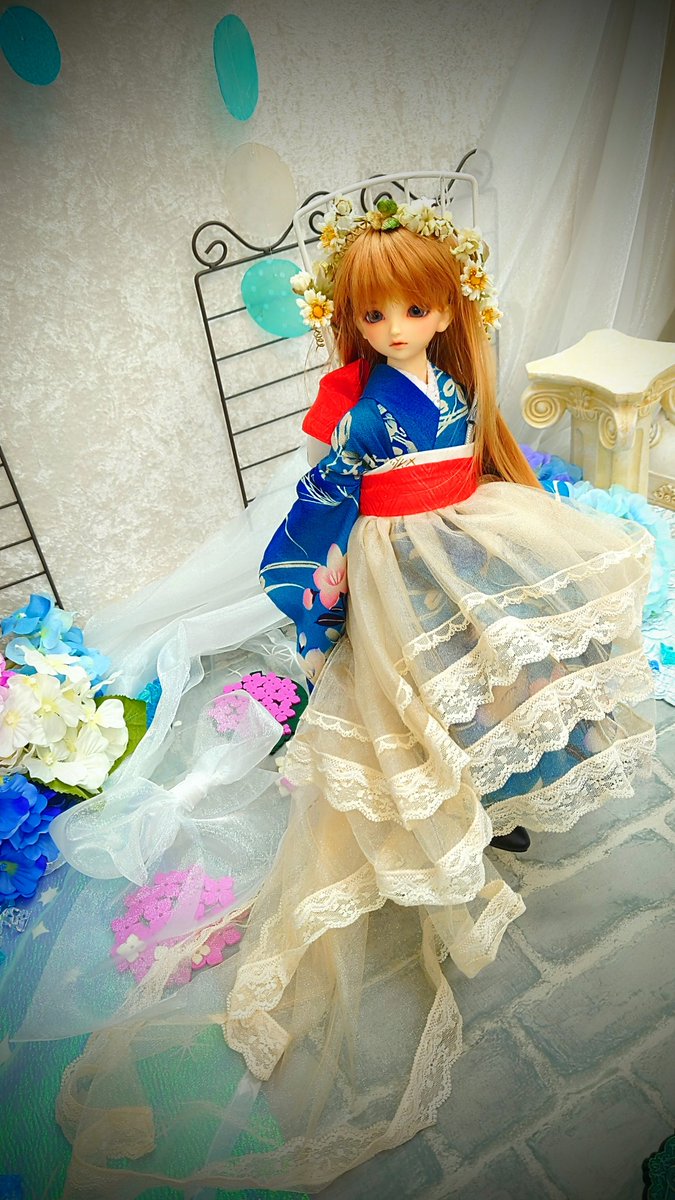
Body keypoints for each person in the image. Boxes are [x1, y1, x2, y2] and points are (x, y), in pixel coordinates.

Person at [17, 194, 655, 1198]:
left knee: (498, 676)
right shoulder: (353, 408)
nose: (395, 329)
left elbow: (475, 454)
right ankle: (452, 808)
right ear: (349, 319)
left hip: (464, 544)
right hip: (392, 566)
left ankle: (491, 791)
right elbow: (322, 495)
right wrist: (326, 577)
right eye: (374, 314)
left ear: (447, 310)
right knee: (419, 697)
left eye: (415, 310)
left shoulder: (454, 382)